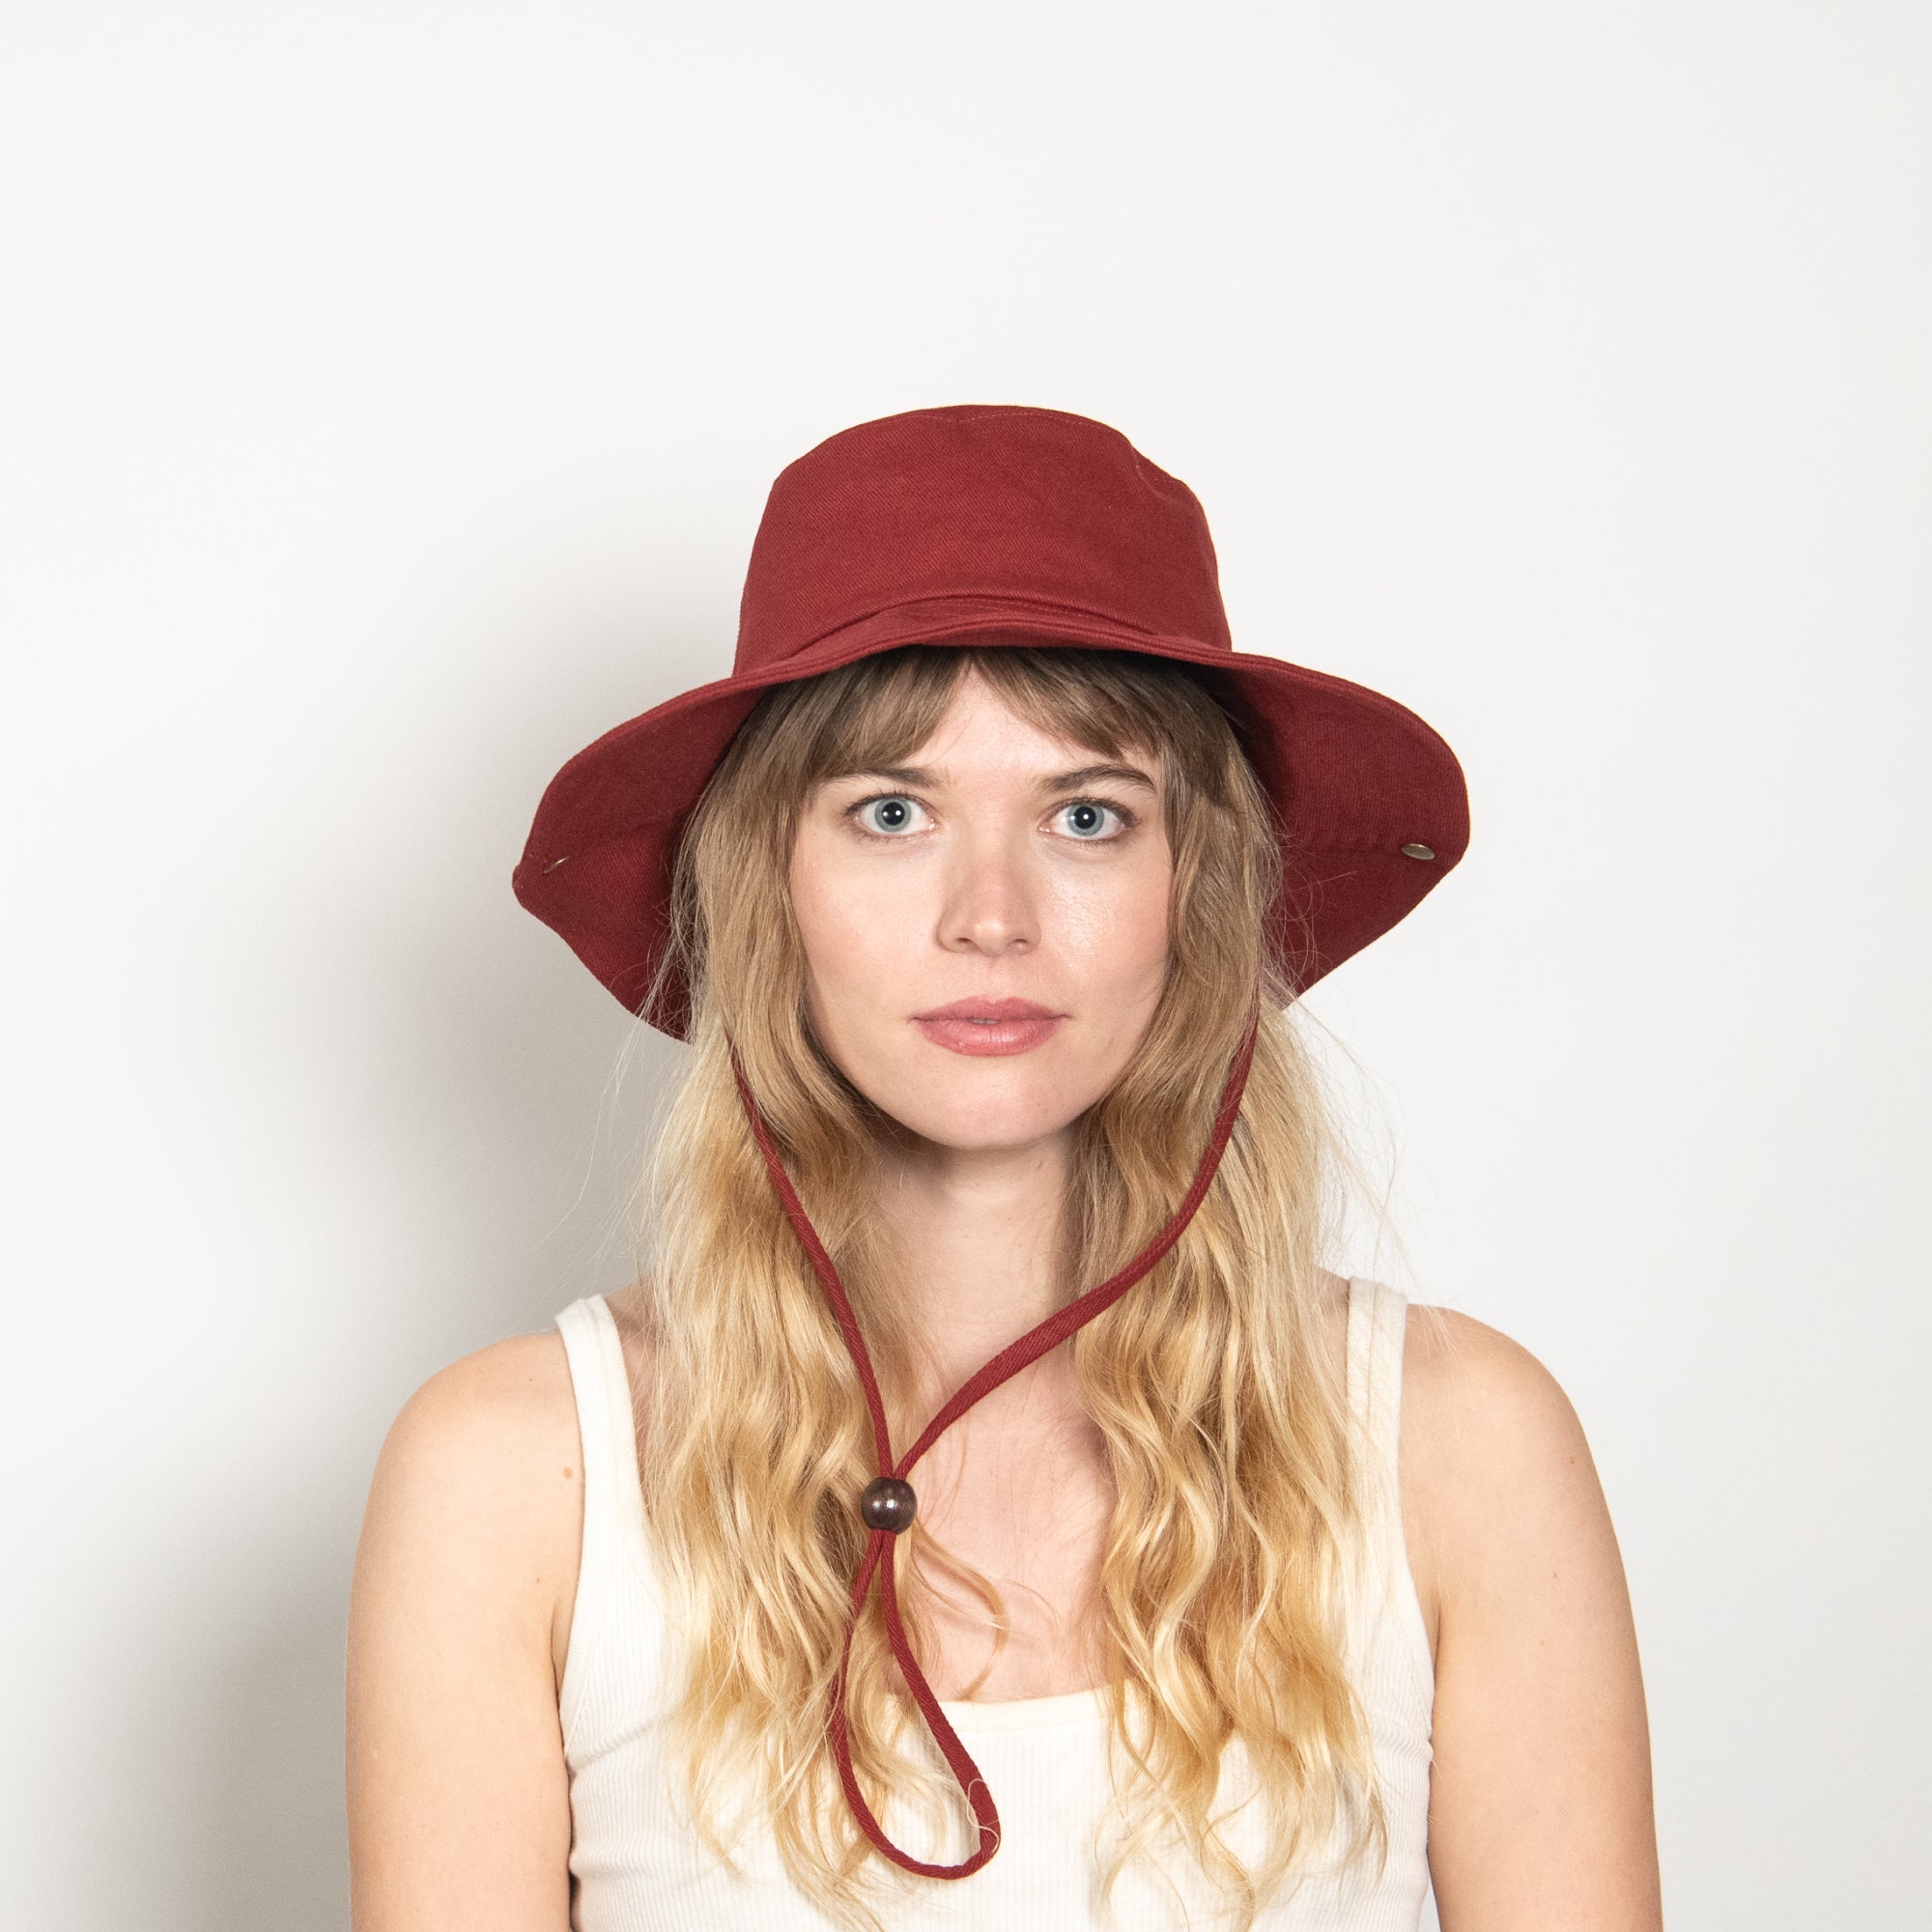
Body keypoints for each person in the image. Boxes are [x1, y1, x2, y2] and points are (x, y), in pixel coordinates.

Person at [345, 407, 1662, 1931]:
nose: (992, 913)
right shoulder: (515, 1479)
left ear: (1201, 896)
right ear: (767, 885)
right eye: (892, 813)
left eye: (1088, 816)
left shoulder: (1457, 1446)